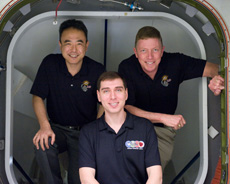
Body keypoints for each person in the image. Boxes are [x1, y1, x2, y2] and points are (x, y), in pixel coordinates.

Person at [118, 26, 224, 170]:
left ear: (162, 51)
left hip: (163, 133)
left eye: (155, 50)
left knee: (154, 170)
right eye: (144, 51)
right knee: (134, 171)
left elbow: (216, 69)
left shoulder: (175, 62)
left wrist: (217, 80)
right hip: (133, 128)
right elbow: (127, 107)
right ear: (136, 52)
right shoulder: (127, 67)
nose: (150, 57)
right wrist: (164, 118)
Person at [30, 19, 105, 184]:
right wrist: (44, 126)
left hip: (84, 132)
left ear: (86, 45)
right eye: (67, 43)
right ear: (60, 44)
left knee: (78, 179)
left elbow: (105, 103)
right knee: (42, 145)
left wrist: (98, 129)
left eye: (79, 43)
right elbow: (37, 97)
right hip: (57, 129)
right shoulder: (50, 64)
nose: (73, 50)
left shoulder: (96, 69)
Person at [78, 71, 162, 184]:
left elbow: (156, 176)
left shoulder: (145, 127)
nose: (113, 97)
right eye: (106, 91)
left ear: (126, 94)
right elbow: (86, 179)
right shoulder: (88, 133)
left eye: (118, 90)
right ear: (99, 96)